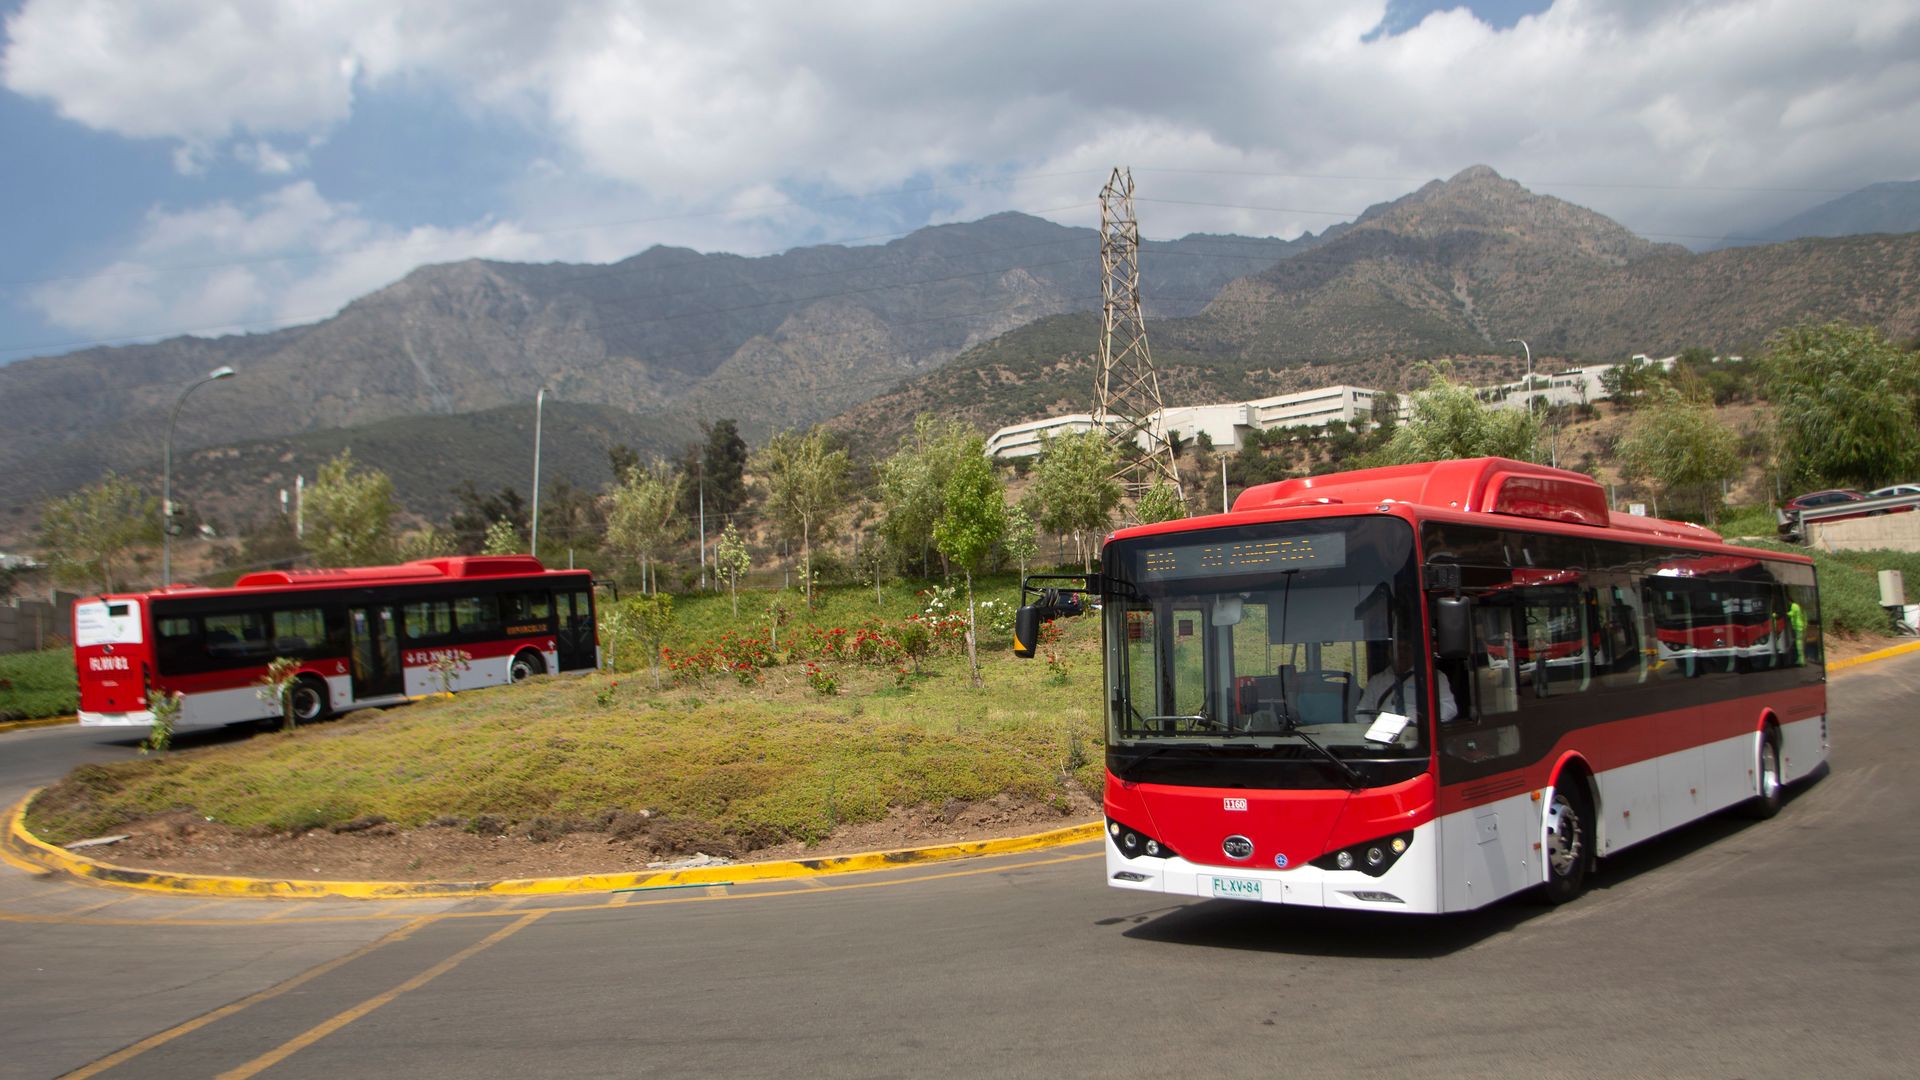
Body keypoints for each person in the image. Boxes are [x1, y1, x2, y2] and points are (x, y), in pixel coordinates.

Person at [1358, 635, 1458, 724]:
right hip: (1381, 738)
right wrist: (1370, 731)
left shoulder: (1433, 677)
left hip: (1418, 736)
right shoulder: (1376, 681)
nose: (1401, 653)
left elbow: (1449, 708)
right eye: (1396, 648)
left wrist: (1423, 725)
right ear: (1389, 652)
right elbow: (1362, 712)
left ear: (1414, 652)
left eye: (1406, 648)